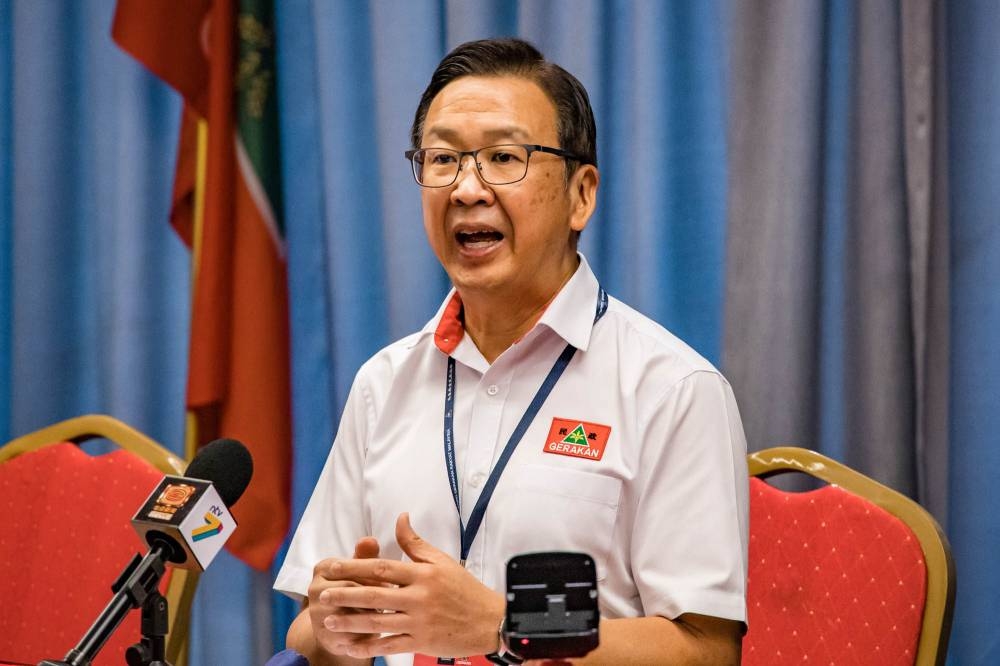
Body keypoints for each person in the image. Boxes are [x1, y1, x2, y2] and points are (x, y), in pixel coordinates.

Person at [274, 37, 749, 665]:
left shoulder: (671, 389)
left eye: (503, 157)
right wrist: (337, 628)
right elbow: (308, 628)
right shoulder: (383, 382)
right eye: (442, 159)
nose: (467, 188)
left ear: (581, 195)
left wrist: (498, 625)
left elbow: (707, 654)